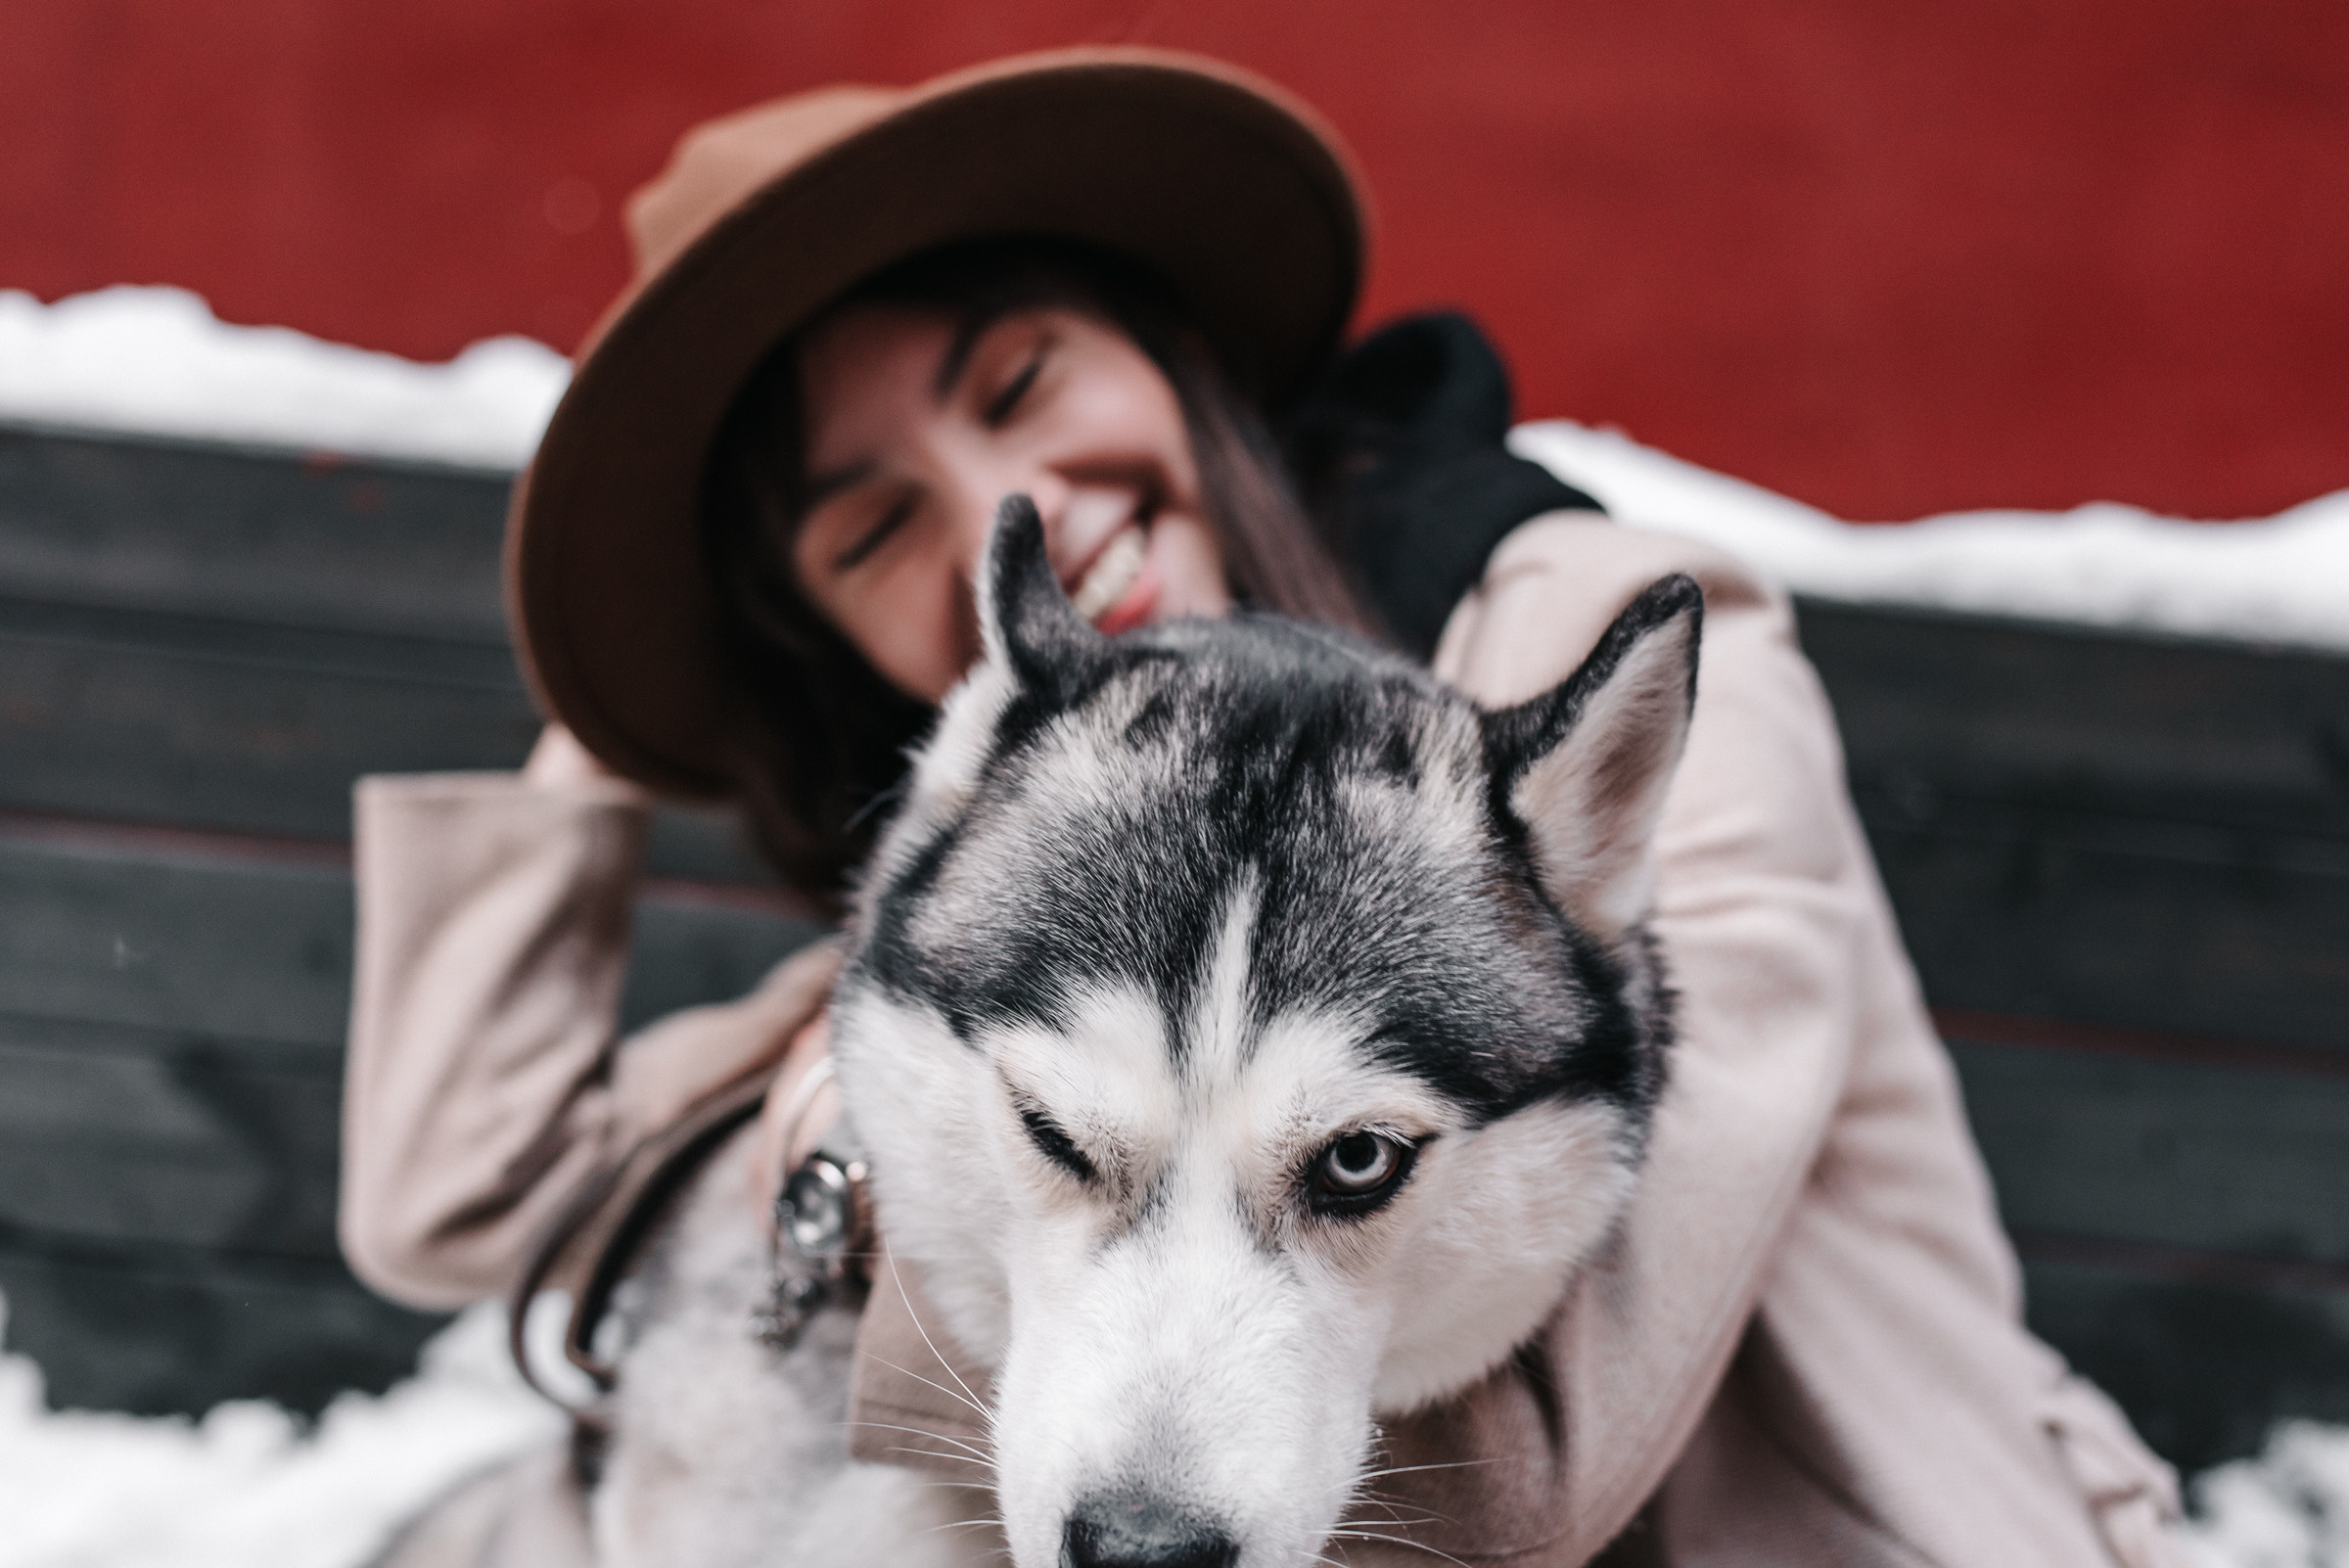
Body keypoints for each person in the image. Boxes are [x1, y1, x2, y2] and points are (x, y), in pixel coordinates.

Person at [341, 46, 2186, 1568]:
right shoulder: (1013, 870)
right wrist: (640, 701)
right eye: (875, 527)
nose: (1021, 504)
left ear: (1170, 349)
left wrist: (868, 1171)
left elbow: (1511, 1479)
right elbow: (458, 1197)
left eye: (1023, 380)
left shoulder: (1595, 669)